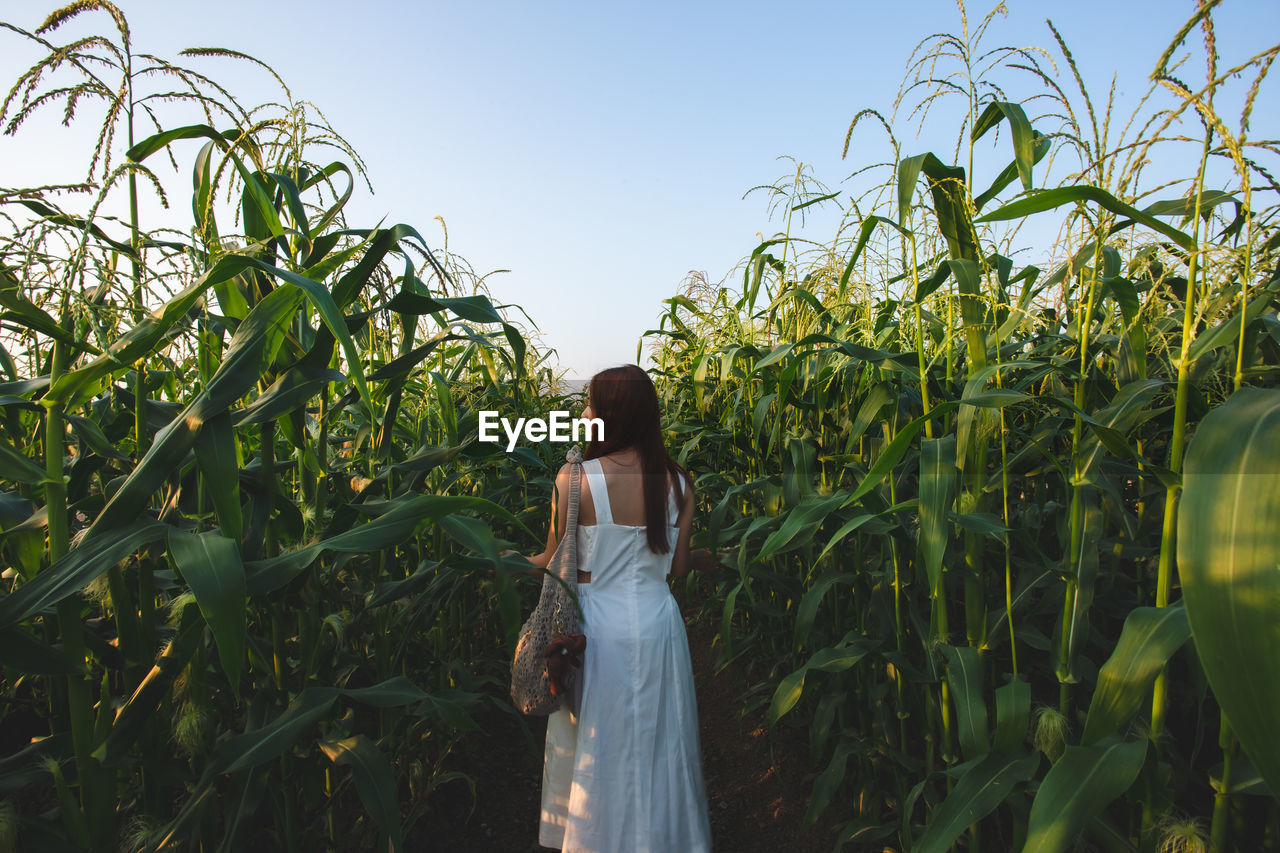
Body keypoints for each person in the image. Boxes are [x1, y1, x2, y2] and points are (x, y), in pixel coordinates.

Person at [512, 364, 714, 852]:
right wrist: (716, 558)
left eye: (591, 405)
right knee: (661, 744)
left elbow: (551, 560)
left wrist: (503, 561)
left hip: (594, 627)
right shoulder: (680, 483)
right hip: (658, 623)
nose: (583, 413)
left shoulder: (573, 479)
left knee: (597, 746)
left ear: (611, 416)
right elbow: (679, 567)